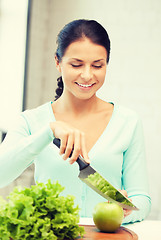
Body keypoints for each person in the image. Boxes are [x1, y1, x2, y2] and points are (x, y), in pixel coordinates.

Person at [0, 19, 151, 224]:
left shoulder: (128, 121)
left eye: (97, 65)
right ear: (57, 62)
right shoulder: (30, 121)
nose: (87, 75)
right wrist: (48, 132)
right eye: (76, 64)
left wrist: (126, 210)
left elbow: (142, 199)